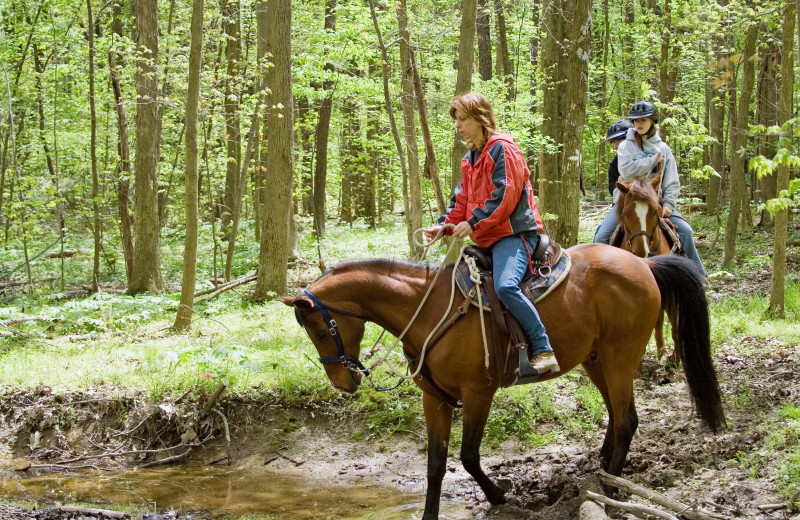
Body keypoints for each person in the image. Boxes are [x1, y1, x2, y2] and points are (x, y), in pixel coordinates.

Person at [425, 92, 560, 375]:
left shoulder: (503, 149)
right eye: (456, 120)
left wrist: (473, 224)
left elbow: (505, 197)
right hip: (487, 235)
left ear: (480, 118)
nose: (458, 126)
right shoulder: (470, 158)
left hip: (514, 234)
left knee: (505, 286)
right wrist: (444, 226)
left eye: (463, 119)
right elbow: (461, 201)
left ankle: (544, 348)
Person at [593, 101, 707, 276]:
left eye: (643, 120)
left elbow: (671, 180)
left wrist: (668, 204)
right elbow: (627, 171)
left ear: (652, 121)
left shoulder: (664, 149)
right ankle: (600, 276)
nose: (639, 124)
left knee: (685, 231)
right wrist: (653, 160)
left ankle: (698, 276)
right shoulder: (626, 146)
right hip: (627, 201)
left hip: (656, 200)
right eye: (635, 121)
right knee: (601, 237)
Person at [605, 120, 633, 196]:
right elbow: (611, 189)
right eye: (613, 141)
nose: (616, 145)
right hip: (625, 197)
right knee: (615, 207)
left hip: (645, 195)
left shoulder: (644, 156)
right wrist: (618, 184)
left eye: (619, 140)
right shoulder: (614, 163)